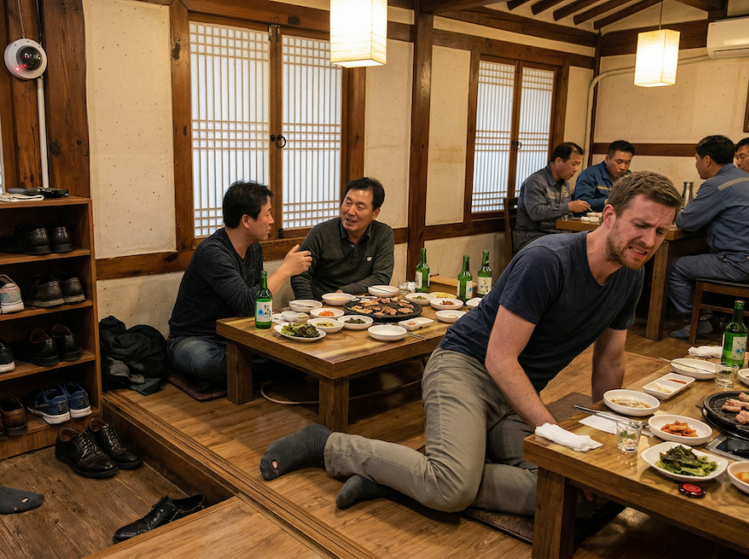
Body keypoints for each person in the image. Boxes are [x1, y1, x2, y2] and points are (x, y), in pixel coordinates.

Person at [259, 172, 682, 516]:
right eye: (641, 226)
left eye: (661, 231)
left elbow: (609, 363)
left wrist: (604, 441)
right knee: (452, 490)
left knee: (567, 485)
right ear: (608, 215)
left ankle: (399, 477)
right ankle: (327, 444)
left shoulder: (632, 273)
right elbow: (499, 358)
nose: (649, 241)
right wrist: (551, 430)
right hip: (466, 369)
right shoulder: (548, 260)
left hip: (516, 392)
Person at [167, 181, 312, 388]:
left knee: (296, 352)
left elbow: (255, 308)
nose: (272, 220)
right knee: (207, 361)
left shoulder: (254, 249)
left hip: (236, 335)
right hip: (196, 338)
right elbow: (246, 303)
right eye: (267, 214)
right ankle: (247, 372)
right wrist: (285, 270)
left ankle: (239, 374)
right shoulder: (213, 252)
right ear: (246, 220)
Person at [668, 135, 749, 339]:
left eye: (696, 159)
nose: (697, 165)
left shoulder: (716, 185)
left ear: (707, 160)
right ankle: (707, 316)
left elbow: (685, 222)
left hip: (742, 263)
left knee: (676, 266)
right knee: (699, 255)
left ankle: (697, 321)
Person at [290, 177, 394, 300]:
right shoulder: (321, 232)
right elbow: (300, 275)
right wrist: (310, 307)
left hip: (363, 305)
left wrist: (344, 292)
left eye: (360, 207)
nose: (350, 211)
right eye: (348, 203)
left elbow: (381, 278)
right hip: (323, 306)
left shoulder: (383, 233)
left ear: (375, 213)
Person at [515, 142, 590, 251]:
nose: (576, 169)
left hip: (556, 236)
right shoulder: (536, 181)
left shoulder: (564, 183)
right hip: (532, 237)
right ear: (558, 161)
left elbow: (566, 217)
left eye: (578, 165)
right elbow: (536, 213)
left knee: (587, 246)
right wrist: (568, 206)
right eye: (573, 164)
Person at [572, 140, 635, 213]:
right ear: (607, 159)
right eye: (619, 162)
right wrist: (607, 202)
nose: (623, 167)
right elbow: (581, 203)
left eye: (627, 163)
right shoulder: (590, 174)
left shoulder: (628, 176)